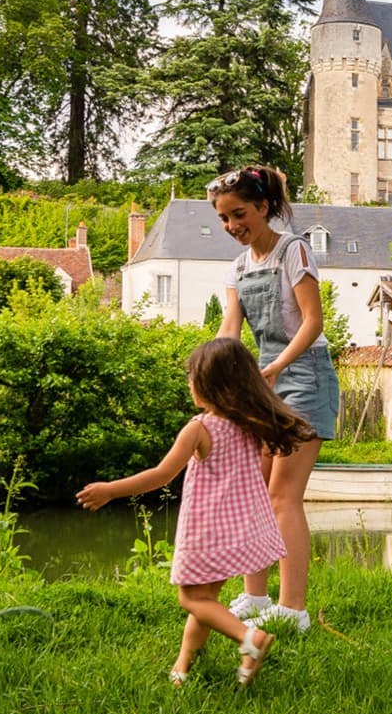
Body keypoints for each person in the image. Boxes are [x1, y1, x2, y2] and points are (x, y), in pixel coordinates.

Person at [77, 337, 316, 685]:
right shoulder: (249, 422)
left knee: (191, 599)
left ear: (209, 385)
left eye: (192, 378)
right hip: (240, 529)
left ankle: (250, 639)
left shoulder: (199, 429)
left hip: (207, 532)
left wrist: (110, 490)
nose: (189, 385)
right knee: (206, 600)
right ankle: (183, 669)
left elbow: (160, 476)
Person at [207, 164, 341, 633]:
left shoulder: (293, 250)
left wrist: (276, 366)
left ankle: (293, 608)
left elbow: (312, 322)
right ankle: (254, 594)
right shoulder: (239, 267)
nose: (231, 226)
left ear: (263, 207)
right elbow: (230, 329)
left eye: (238, 214)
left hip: (303, 376)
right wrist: (221, 371)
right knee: (254, 492)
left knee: (283, 494)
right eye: (224, 218)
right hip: (262, 381)